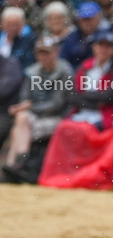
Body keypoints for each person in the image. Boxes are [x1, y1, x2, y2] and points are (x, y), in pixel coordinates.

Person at [3, 36, 72, 183]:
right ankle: (19, 162)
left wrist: (30, 107)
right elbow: (24, 97)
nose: (44, 56)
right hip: (34, 117)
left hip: (57, 117)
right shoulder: (32, 72)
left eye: (48, 52)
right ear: (36, 54)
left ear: (56, 52)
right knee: (21, 118)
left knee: (19, 127)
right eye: (41, 53)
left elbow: (57, 104)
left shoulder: (65, 72)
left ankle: (13, 165)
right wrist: (23, 107)